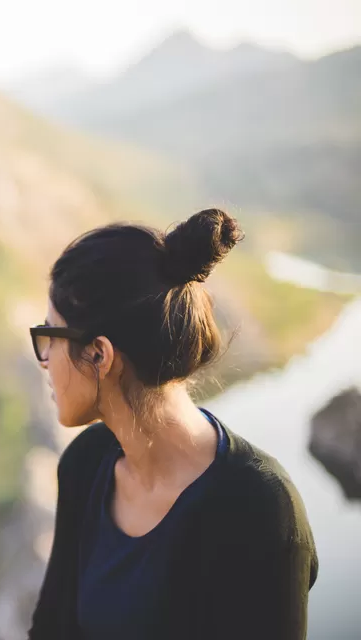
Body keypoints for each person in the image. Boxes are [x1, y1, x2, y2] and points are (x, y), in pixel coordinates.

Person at [26, 209, 317, 640]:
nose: (44, 358)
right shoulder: (86, 462)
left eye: (51, 334)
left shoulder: (260, 508)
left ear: (100, 355)